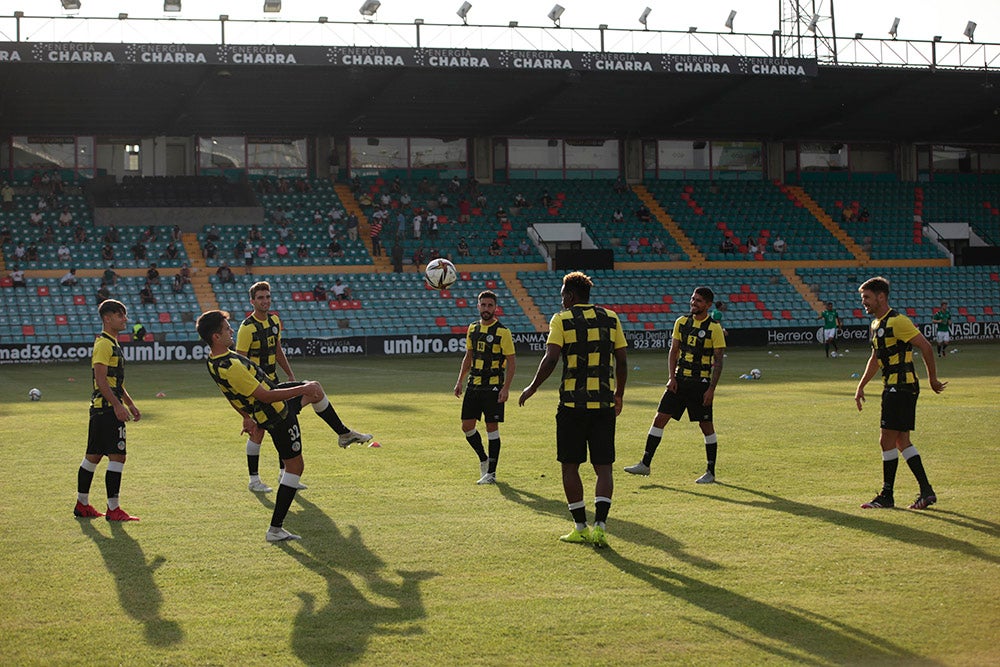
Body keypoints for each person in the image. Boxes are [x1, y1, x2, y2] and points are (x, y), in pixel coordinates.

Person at [197, 309, 372, 541]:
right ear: (216, 337)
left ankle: (343, 434)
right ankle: (275, 529)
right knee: (295, 468)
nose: (231, 330)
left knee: (316, 388)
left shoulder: (213, 361)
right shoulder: (231, 365)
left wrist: (246, 415)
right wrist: (300, 390)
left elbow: (229, 394)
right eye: (226, 328)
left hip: (271, 405)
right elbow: (265, 396)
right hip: (276, 414)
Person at [518, 272, 628, 548]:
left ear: (569, 296)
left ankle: (580, 527)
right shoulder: (611, 318)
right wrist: (619, 394)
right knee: (604, 468)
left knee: (570, 466)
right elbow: (622, 360)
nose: (561, 300)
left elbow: (551, 357)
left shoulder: (562, 319)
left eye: (562, 295)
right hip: (603, 404)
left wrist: (532, 387)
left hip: (572, 405)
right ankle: (601, 525)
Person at [854, 276, 947, 510]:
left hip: (901, 387)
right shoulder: (876, 325)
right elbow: (876, 358)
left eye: (867, 297)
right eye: (862, 298)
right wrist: (861, 385)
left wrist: (932, 379)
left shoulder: (898, 321)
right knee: (901, 440)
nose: (863, 302)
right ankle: (926, 491)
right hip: (894, 387)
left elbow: (925, 345)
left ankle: (887, 495)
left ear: (881, 297)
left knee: (886, 439)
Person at [624, 286, 726, 484]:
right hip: (678, 382)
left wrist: (711, 389)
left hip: (700, 384)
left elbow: (719, 361)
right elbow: (674, 351)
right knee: (659, 419)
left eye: (698, 301)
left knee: (706, 427)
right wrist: (671, 377)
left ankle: (710, 472)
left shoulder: (714, 328)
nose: (693, 303)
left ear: (708, 305)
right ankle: (645, 464)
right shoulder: (681, 322)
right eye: (692, 299)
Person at [73, 299, 141, 521]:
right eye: (120, 315)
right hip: (106, 410)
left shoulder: (111, 343)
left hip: (101, 410)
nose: (125, 319)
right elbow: (101, 380)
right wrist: (117, 406)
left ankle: (82, 504)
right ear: (107, 318)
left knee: (93, 456)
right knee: (117, 456)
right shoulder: (104, 344)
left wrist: (129, 403)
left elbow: (114, 382)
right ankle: (113, 509)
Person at [235, 281, 298, 492]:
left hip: (274, 382)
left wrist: (289, 373)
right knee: (258, 430)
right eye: (261, 298)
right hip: (256, 388)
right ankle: (254, 480)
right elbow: (240, 362)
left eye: (268, 297)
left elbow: (277, 350)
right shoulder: (246, 328)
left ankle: (284, 475)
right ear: (252, 301)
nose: (265, 301)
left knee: (284, 425)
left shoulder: (274, 320)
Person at [454, 291, 517, 485]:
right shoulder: (472, 329)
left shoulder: (503, 332)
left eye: (490, 305)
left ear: (495, 308)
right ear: (478, 306)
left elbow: (511, 362)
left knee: (492, 428)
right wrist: (460, 381)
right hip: (474, 384)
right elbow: (468, 356)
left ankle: (491, 473)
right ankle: (483, 458)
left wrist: (506, 388)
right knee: (467, 426)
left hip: (493, 387)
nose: (486, 309)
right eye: (483, 305)